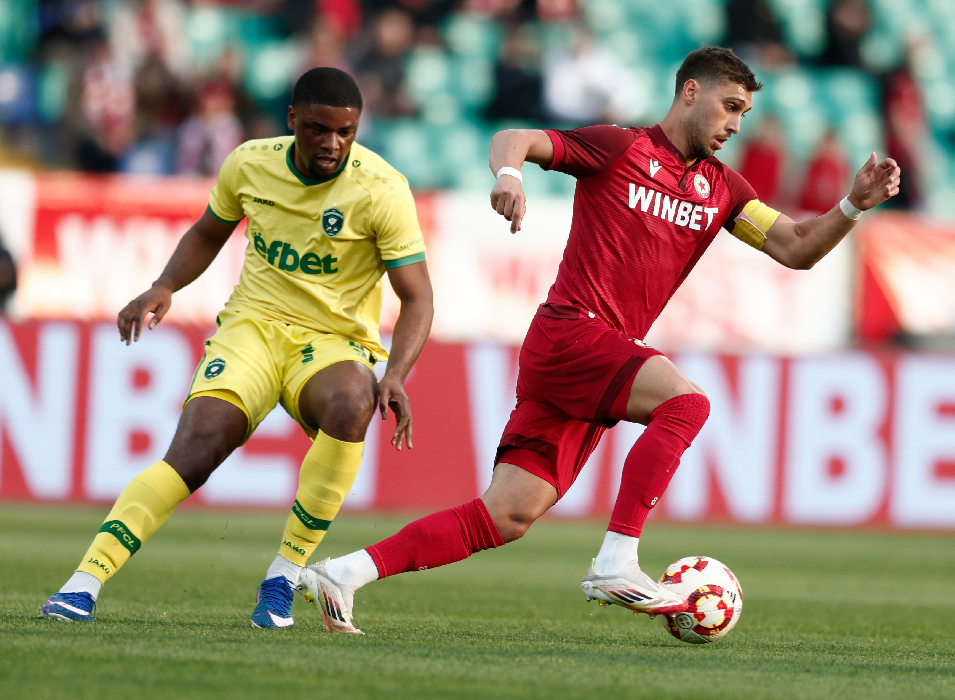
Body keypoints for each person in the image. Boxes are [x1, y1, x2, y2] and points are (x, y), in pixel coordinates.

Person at [297, 46, 901, 634]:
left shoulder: (723, 190)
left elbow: (796, 248)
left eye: (744, 113)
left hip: (585, 359)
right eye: (730, 107)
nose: (736, 125)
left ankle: (343, 574)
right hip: (572, 333)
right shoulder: (620, 147)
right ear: (691, 93)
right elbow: (515, 137)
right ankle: (617, 560)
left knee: (505, 515)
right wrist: (510, 175)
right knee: (687, 404)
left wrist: (852, 205)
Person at [40, 67, 434, 628]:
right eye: (318, 129)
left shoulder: (383, 190)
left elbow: (417, 298)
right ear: (292, 119)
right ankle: (83, 582)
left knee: (354, 399)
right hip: (253, 328)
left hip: (332, 342)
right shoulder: (249, 163)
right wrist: (164, 286)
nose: (332, 143)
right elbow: (208, 231)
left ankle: (283, 576)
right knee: (196, 447)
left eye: (345, 132)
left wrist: (394, 374)